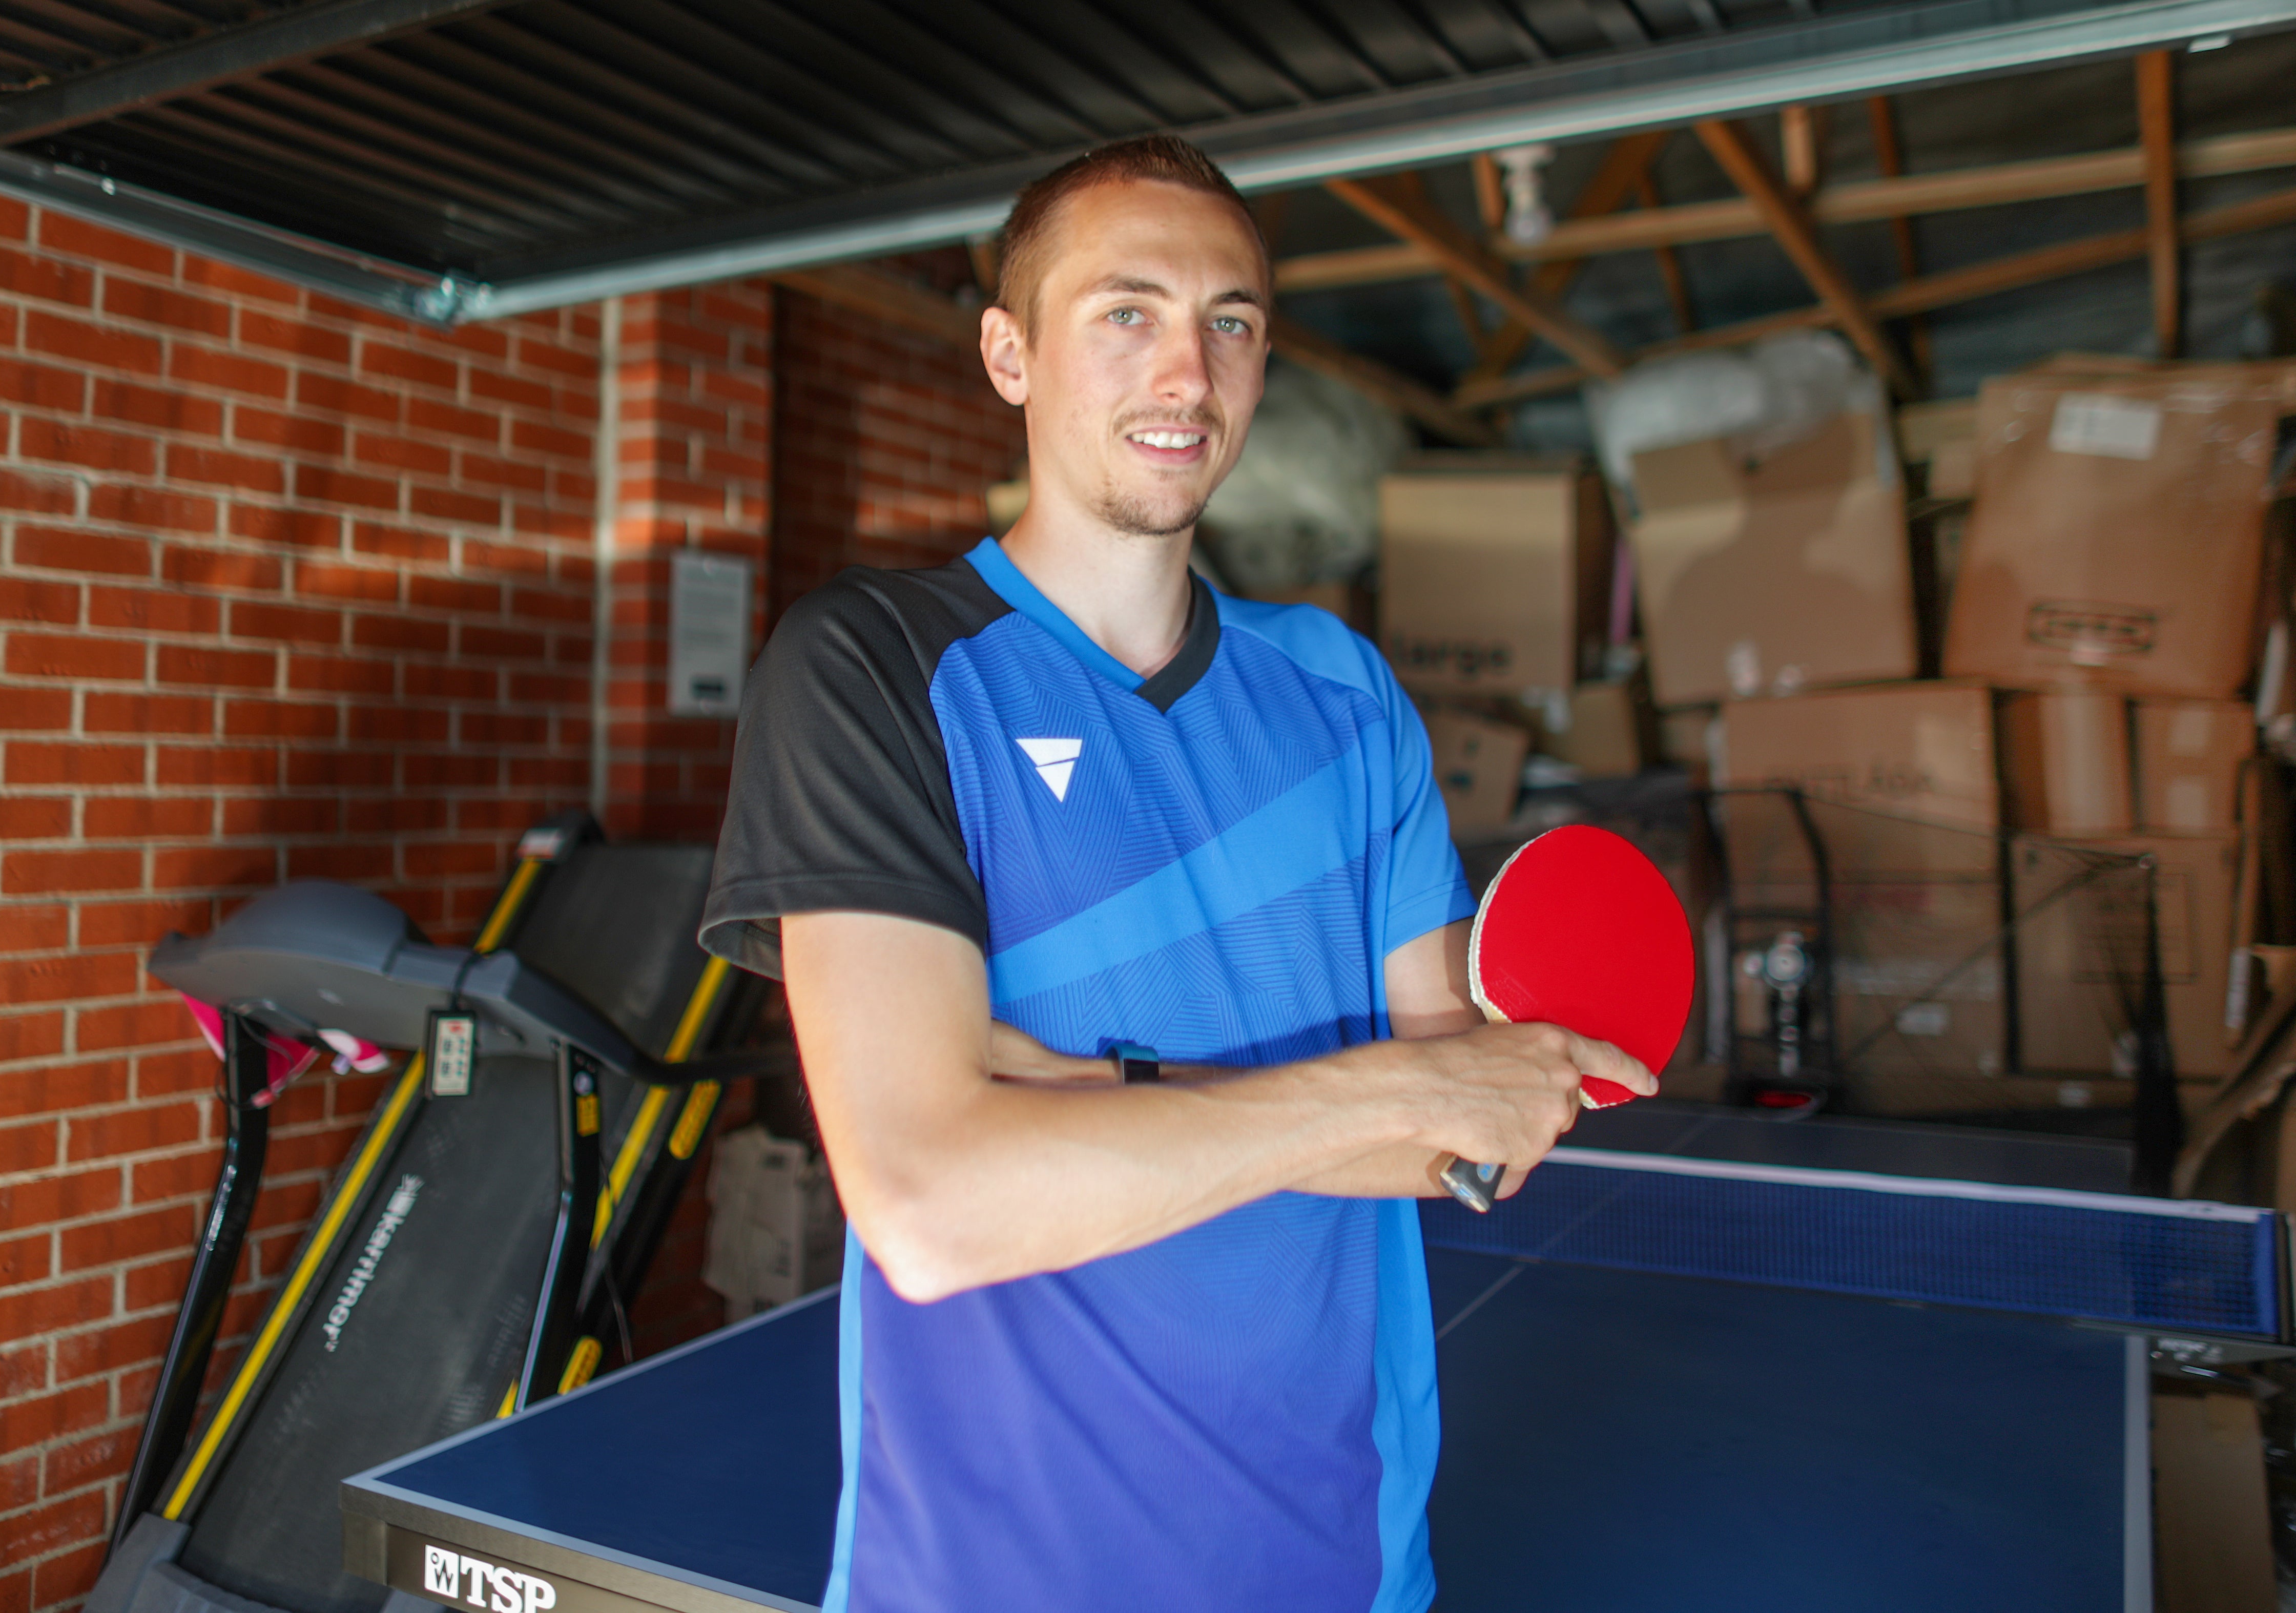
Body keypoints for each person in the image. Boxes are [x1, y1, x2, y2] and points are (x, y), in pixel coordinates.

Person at [700, 134, 1649, 1613]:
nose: (1190, 377)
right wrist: (1390, 1087)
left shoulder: (1344, 690)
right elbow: (934, 1204)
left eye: (1232, 323)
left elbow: (1460, 1135)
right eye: (1126, 312)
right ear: (1009, 353)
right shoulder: (875, 668)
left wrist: (1079, 1082)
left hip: (1350, 1561)